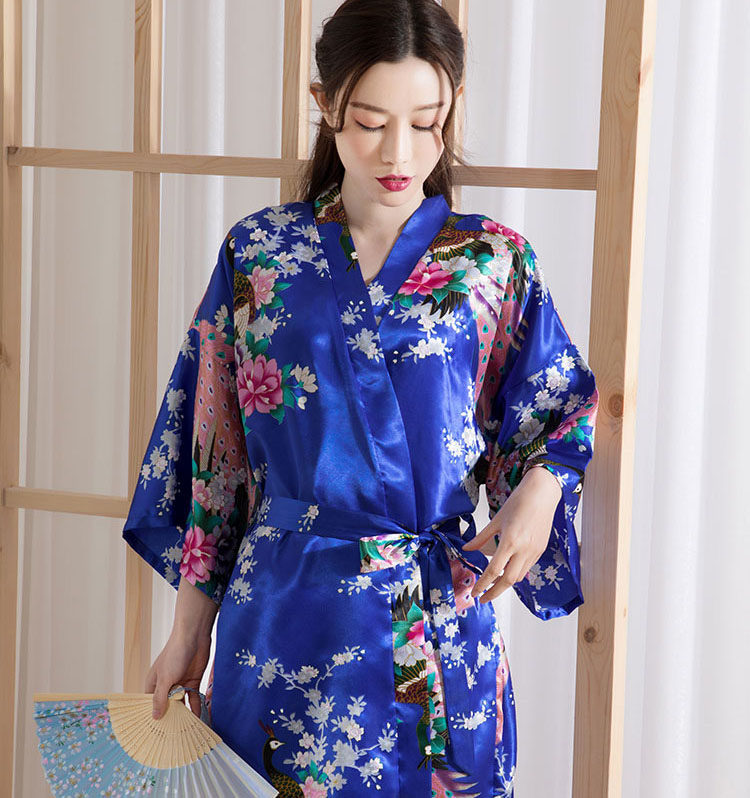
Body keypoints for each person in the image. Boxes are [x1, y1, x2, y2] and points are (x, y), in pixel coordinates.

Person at [122, 1, 599, 795]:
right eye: (371, 122)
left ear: (451, 111)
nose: (398, 151)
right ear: (326, 105)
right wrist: (186, 635)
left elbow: (559, 409)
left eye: (426, 122)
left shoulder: (493, 262)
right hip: (281, 623)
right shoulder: (259, 253)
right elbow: (216, 460)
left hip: (435, 624)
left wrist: (543, 490)